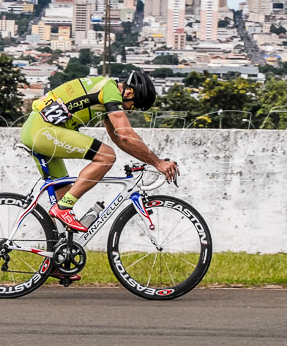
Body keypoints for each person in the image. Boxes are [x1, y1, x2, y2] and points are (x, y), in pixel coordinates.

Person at [20, 69, 179, 233]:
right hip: (42, 131)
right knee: (106, 156)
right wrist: (158, 163)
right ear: (129, 93)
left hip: (37, 130)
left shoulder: (106, 95)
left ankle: (55, 253)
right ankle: (63, 209)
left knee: (64, 200)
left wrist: (151, 161)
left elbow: (119, 138)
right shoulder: (109, 90)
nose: (131, 110)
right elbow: (125, 133)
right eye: (134, 105)